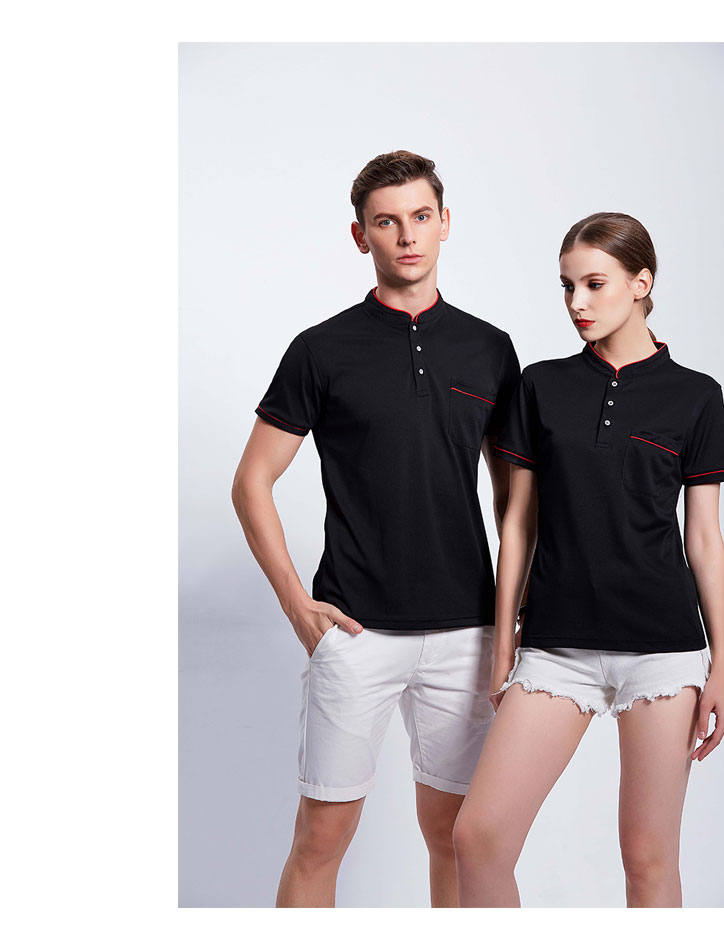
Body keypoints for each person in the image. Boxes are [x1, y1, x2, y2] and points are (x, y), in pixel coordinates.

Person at [231, 150, 522, 907]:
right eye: (387, 222)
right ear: (361, 236)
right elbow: (251, 481)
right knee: (320, 839)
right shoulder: (321, 349)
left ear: (445, 222)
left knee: (457, 838)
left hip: (467, 631)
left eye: (421, 216)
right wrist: (297, 604)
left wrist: (514, 607)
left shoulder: (490, 349)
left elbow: (513, 498)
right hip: (354, 628)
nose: (407, 235)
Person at [452, 212, 724, 908]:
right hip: (556, 648)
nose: (576, 302)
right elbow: (518, 522)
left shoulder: (696, 395)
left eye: (594, 283)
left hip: (663, 650)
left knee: (648, 860)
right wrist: (504, 645)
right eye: (566, 285)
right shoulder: (541, 385)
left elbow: (704, 539)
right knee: (479, 838)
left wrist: (722, 665)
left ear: (642, 283)